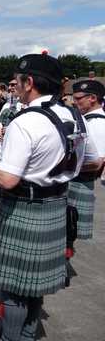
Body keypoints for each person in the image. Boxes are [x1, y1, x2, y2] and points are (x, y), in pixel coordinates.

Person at [0, 53, 100, 341]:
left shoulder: (25, 122)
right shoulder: (73, 115)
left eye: (18, 81)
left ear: (30, 82)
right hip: (57, 205)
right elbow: (86, 161)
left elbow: (8, 179)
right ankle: (26, 336)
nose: (16, 87)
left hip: (23, 208)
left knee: (13, 291)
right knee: (34, 288)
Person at [68, 80, 105, 245]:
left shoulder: (97, 123)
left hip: (79, 183)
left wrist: (62, 166)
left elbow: (98, 162)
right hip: (77, 181)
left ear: (92, 98)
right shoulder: (88, 120)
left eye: (78, 98)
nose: (74, 102)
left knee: (67, 235)